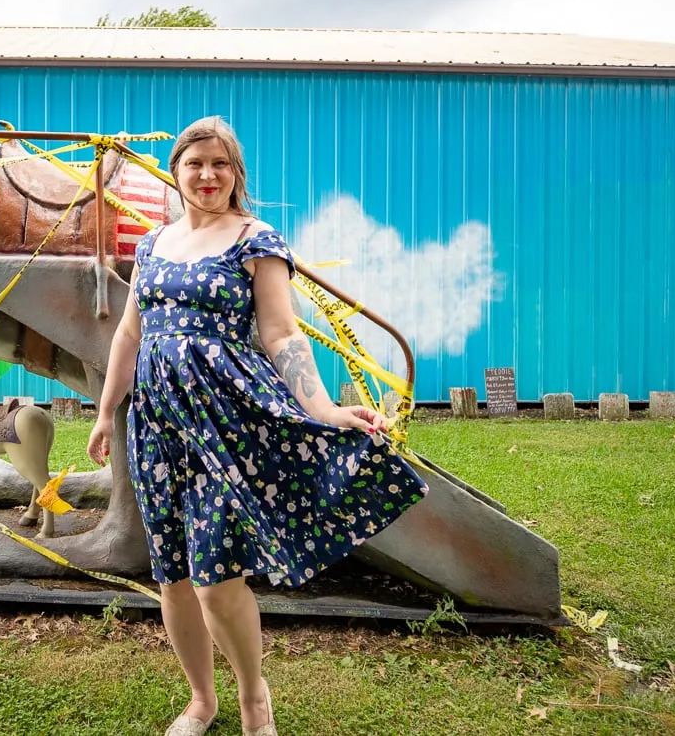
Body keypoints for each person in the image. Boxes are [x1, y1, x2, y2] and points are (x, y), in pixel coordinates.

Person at [87, 117, 428, 736]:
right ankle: (201, 701)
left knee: (217, 580)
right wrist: (108, 412)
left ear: (235, 173)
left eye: (220, 164)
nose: (207, 175)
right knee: (175, 575)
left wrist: (323, 409)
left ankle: (252, 698)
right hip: (159, 430)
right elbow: (130, 334)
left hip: (231, 425)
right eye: (195, 163)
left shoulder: (255, 239)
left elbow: (281, 332)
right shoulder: (152, 245)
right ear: (177, 170)